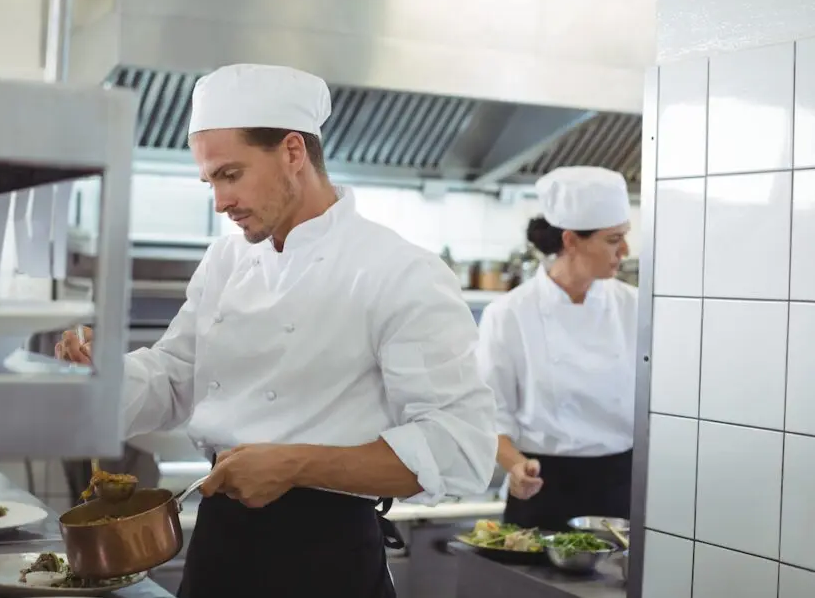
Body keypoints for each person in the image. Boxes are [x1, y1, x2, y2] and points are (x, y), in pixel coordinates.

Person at [56, 63, 497, 598]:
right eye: (210, 180)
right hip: (219, 545)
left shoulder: (399, 270)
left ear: (293, 152)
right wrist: (97, 377)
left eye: (230, 174)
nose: (219, 202)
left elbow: (460, 444)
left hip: (326, 558)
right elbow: (174, 378)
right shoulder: (225, 260)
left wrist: (297, 465)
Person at [476, 166, 636, 533]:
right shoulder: (509, 314)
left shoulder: (637, 309)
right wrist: (516, 466)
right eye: (614, 239)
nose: (625, 251)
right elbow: (489, 414)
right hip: (543, 488)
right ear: (571, 240)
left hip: (620, 488)